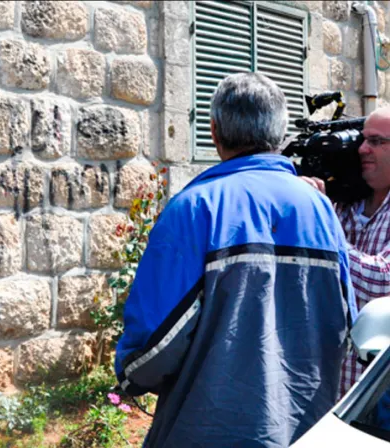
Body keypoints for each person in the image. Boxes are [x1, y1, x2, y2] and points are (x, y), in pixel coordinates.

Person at [114, 72, 357, 447]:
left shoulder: (194, 209)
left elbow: (152, 349)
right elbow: (345, 322)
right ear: (278, 135)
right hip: (303, 430)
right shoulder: (320, 210)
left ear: (214, 132)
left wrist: (130, 375)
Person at [301, 108, 390, 398]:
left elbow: (382, 283)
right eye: (363, 140)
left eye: (376, 141)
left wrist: (321, 221)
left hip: (374, 398)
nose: (363, 149)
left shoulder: (329, 211)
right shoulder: (343, 202)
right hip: (326, 384)